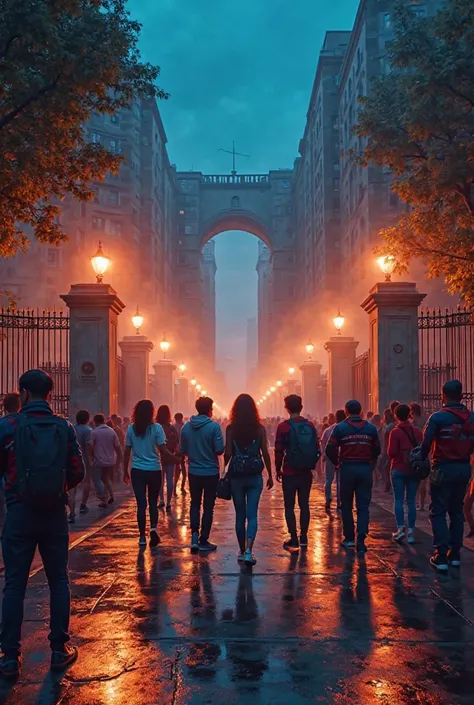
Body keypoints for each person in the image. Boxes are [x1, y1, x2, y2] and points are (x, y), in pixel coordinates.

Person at [0, 369, 85, 678]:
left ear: (23, 393)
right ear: (50, 394)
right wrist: (57, 488)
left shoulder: (7, 426)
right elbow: (78, 471)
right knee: (58, 581)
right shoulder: (64, 427)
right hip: (53, 514)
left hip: (19, 512)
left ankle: (9, 656)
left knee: (14, 584)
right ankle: (58, 650)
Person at [419, 380, 474, 571]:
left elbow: (425, 445)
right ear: (461, 395)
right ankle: (455, 554)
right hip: (464, 469)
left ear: (443, 395)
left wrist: (420, 459)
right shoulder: (471, 417)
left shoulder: (438, 418)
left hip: (442, 469)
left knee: (439, 511)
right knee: (457, 511)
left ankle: (441, 555)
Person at [123, 399, 181, 547]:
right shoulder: (157, 429)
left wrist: (124, 470)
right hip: (154, 469)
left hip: (137, 470)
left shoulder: (131, 429)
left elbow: (126, 452)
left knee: (141, 504)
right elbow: (163, 450)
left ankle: (142, 536)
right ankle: (153, 528)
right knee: (153, 502)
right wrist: (177, 459)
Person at [326, 400, 381, 553]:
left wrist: (336, 462)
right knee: (363, 506)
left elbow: (330, 447)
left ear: (346, 411)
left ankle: (349, 538)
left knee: (346, 505)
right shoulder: (370, 428)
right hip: (364, 468)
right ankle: (361, 539)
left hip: (347, 468)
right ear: (360, 410)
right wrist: (370, 460)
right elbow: (377, 449)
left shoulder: (340, 428)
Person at [224, 394, 273, 565]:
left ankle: (241, 549)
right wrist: (271, 475)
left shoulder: (231, 429)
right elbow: (265, 453)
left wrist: (225, 471)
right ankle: (249, 551)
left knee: (240, 515)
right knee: (252, 515)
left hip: (237, 476)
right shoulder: (260, 429)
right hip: (254, 475)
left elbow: (228, 453)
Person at [275, 394, 321, 551]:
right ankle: (304, 537)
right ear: (301, 407)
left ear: (287, 408)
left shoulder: (283, 427)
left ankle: (293, 538)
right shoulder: (311, 426)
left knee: (289, 506)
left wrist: (277, 469)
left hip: (289, 472)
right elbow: (317, 448)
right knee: (304, 505)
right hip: (306, 472)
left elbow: (279, 450)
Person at [180, 396, 225, 552]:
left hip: (193, 471)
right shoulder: (214, 427)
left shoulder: (186, 427)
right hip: (211, 472)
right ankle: (203, 539)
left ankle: (193, 536)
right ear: (209, 410)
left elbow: (183, 450)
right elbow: (219, 450)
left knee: (194, 503)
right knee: (208, 507)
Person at [387, 404, 423, 544]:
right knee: (411, 500)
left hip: (398, 468)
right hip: (414, 470)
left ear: (395, 415)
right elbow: (422, 450)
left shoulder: (395, 432)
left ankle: (401, 529)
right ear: (409, 414)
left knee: (398, 500)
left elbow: (391, 453)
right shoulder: (418, 431)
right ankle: (412, 532)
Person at [91, 414, 123, 508]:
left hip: (99, 461)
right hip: (110, 461)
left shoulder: (94, 432)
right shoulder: (112, 431)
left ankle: (104, 497)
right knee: (105, 479)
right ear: (104, 421)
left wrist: (90, 457)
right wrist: (119, 460)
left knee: (96, 480)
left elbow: (90, 446)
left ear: (95, 422)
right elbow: (117, 447)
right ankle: (111, 495)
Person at [68, 410, 94, 523]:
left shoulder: (72, 428)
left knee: (72, 488)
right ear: (87, 419)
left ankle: (72, 512)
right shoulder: (89, 430)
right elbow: (89, 446)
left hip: (72, 460)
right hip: (84, 460)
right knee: (86, 482)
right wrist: (90, 458)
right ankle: (83, 504)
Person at [321, 409, 346, 511]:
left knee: (328, 479)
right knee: (341, 480)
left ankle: (328, 499)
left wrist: (323, 454)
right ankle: (340, 501)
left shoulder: (328, 430)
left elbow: (322, 443)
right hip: (342, 457)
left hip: (329, 457)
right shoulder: (346, 429)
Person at [156, 405, 179, 511]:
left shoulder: (156, 427)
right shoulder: (171, 428)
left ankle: (161, 500)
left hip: (158, 456)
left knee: (160, 480)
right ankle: (169, 502)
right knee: (170, 479)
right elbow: (177, 441)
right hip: (170, 455)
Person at [173, 412, 187, 496]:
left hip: (176, 450)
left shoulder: (173, 427)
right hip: (183, 450)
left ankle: (175, 488)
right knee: (183, 469)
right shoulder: (185, 426)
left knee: (177, 470)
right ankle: (182, 487)